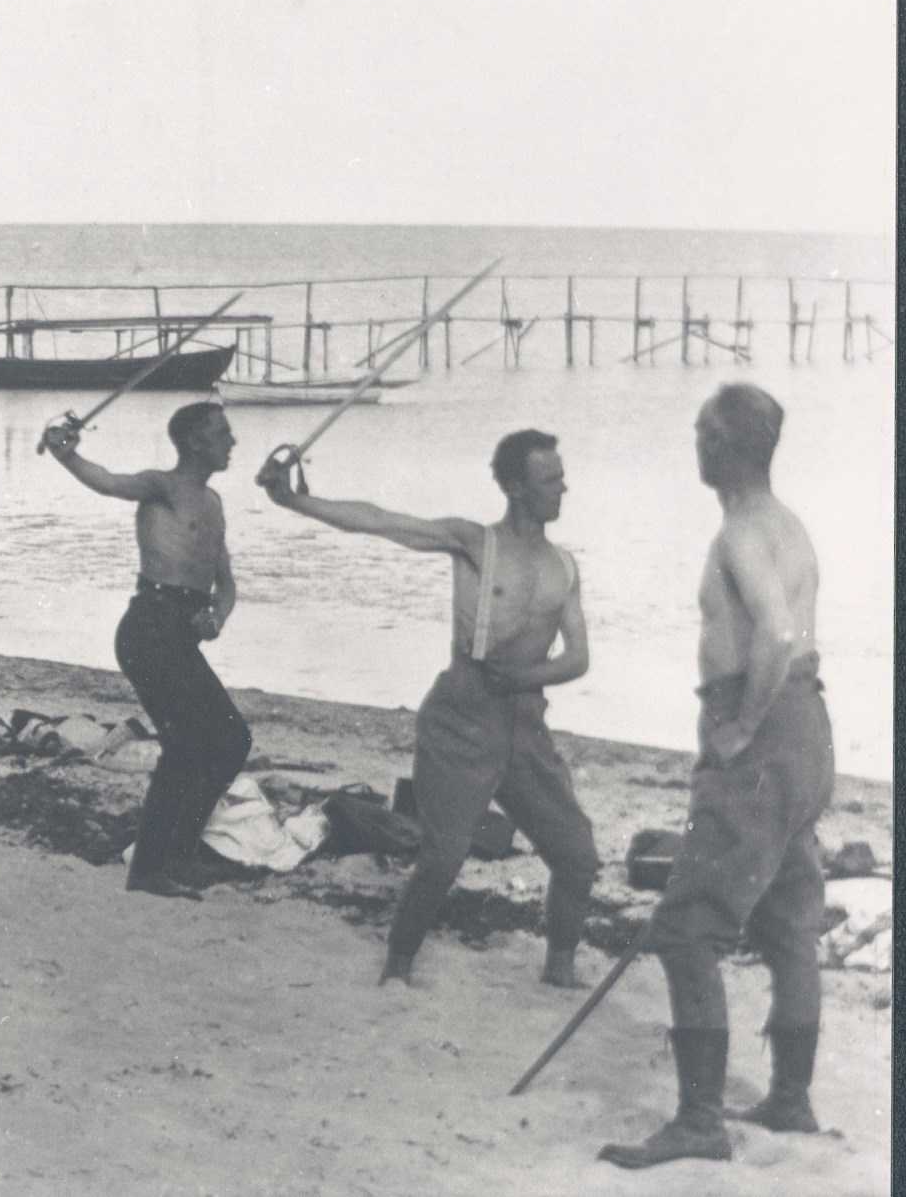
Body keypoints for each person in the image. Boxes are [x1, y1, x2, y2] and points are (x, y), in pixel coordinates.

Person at [259, 428, 596, 981]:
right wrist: (293, 498)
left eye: (561, 477)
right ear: (515, 487)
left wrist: (526, 676)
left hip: (525, 722)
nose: (563, 488)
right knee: (443, 856)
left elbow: (578, 658)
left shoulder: (565, 566)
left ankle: (559, 968)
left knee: (577, 854)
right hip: (461, 716)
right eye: (550, 480)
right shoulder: (473, 542)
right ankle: (398, 966)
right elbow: (382, 521)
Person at [598, 385, 832, 1169]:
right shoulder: (786, 523)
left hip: (761, 732)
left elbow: (776, 629)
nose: (693, 441)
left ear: (725, 444)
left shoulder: (739, 531)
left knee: (686, 928)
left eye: (702, 429)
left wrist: (737, 726)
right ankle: (791, 1099)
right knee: (789, 919)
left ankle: (700, 1120)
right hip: (808, 728)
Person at [42, 402, 249, 900]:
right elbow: (108, 482)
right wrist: (66, 454)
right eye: (222, 433)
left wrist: (216, 617)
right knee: (187, 747)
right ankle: (151, 868)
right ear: (195, 441)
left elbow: (225, 582)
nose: (232, 442)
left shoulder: (214, 502)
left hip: (181, 631)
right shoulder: (162, 485)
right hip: (149, 627)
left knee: (230, 741)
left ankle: (177, 856)